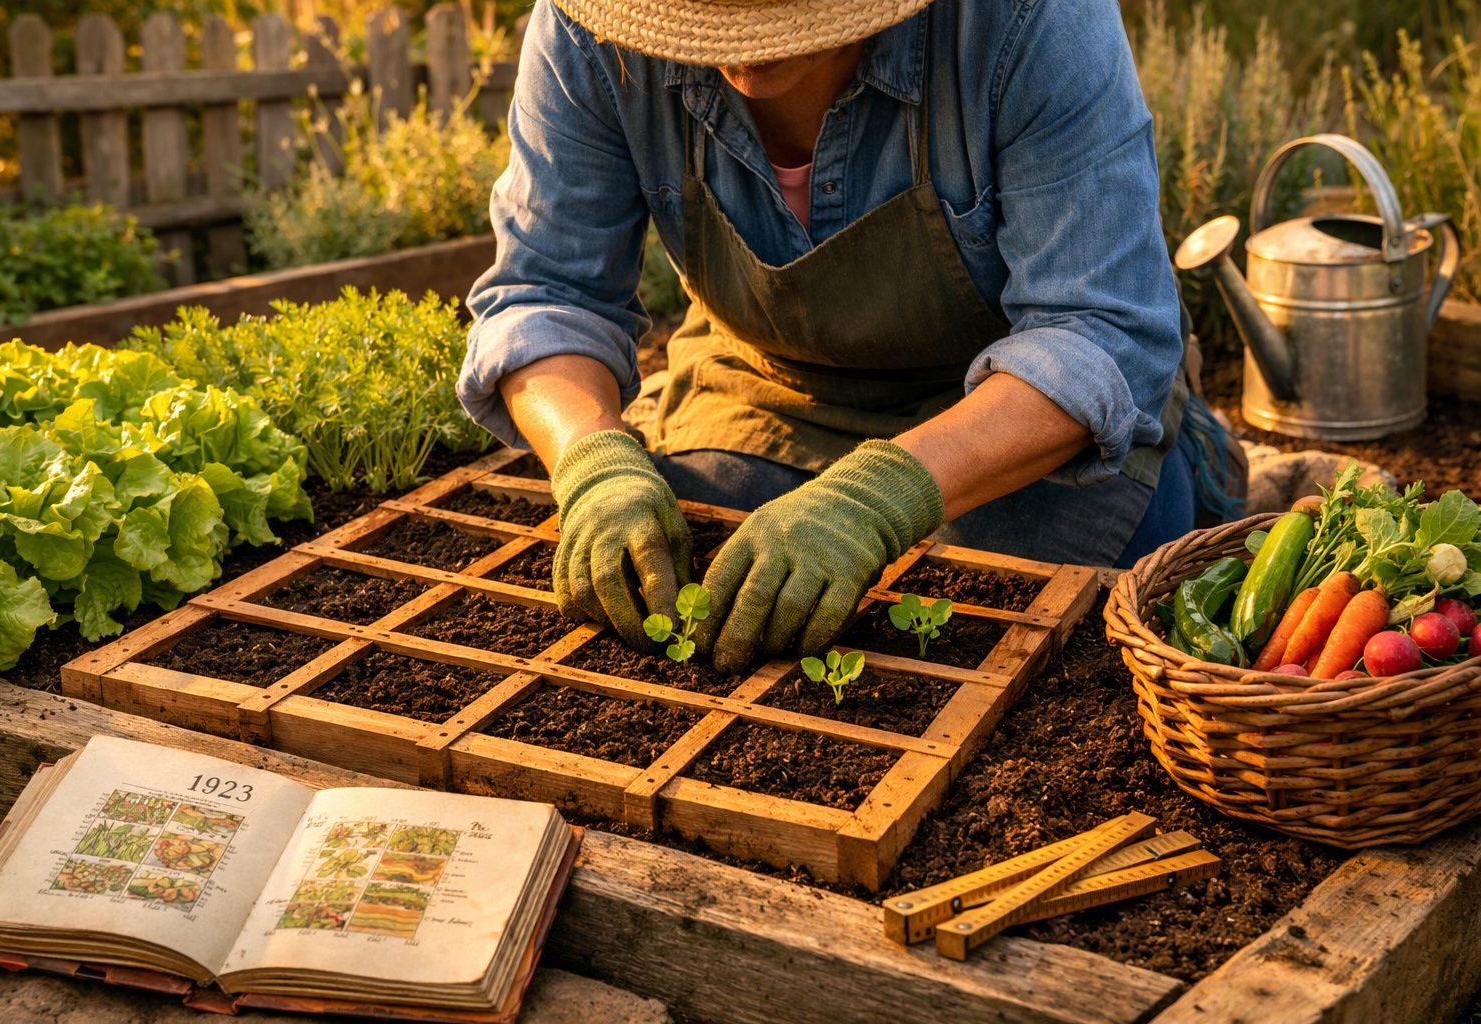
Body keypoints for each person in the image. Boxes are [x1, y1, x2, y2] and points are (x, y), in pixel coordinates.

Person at [458, 0, 1198, 672]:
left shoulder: (1027, 19)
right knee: (678, 596)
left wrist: (881, 495)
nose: (742, 49)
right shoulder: (595, 28)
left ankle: (1204, 472)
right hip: (763, 392)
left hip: (1014, 421)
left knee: (1008, 642)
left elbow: (1100, 328)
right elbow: (548, 292)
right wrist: (593, 462)